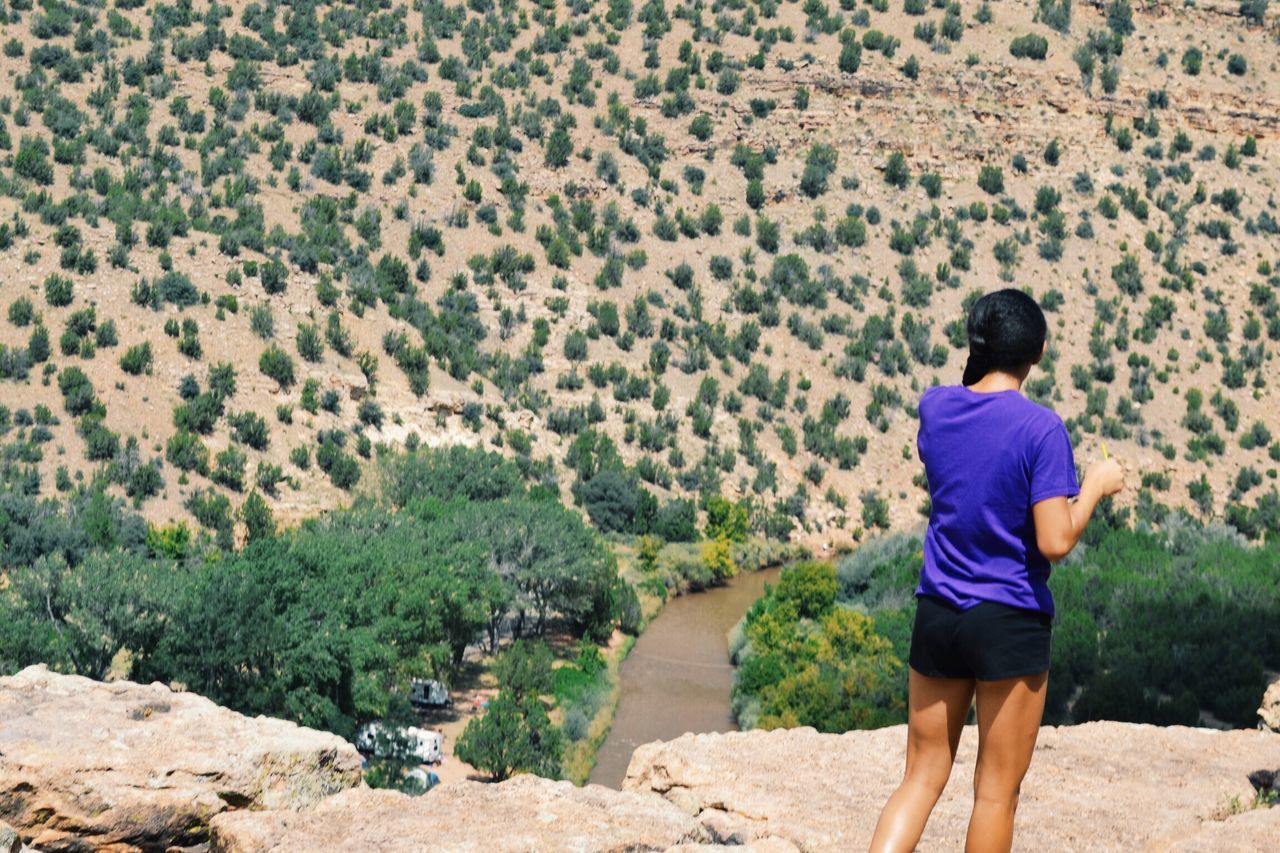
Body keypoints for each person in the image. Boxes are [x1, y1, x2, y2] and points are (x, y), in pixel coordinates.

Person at [869, 289, 1125, 853]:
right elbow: (1055, 540)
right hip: (1008, 620)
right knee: (994, 793)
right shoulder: (1042, 430)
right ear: (1038, 352)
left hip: (937, 611)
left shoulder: (935, 407)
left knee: (920, 775)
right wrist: (1097, 486)